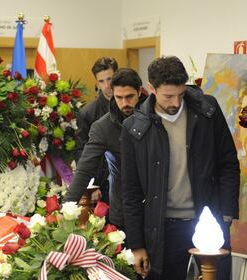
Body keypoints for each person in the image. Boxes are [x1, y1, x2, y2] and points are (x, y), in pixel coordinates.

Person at [121, 56, 240, 280]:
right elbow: (131, 190)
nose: (175, 102)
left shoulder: (208, 110)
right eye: (168, 96)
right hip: (164, 228)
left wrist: (226, 215)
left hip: (208, 222)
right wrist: (136, 245)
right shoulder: (134, 128)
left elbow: (228, 163)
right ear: (151, 88)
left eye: (180, 94)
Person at [65, 68, 145, 230]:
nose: (124, 103)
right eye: (119, 98)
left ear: (140, 92)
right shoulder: (103, 126)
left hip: (156, 207)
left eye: (129, 97)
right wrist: (67, 207)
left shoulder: (154, 118)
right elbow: (85, 169)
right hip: (122, 206)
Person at [74, 57, 118, 203]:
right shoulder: (87, 113)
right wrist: (90, 186)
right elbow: (82, 151)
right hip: (101, 183)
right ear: (96, 83)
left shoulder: (132, 105)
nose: (107, 85)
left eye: (110, 79)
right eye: (101, 81)